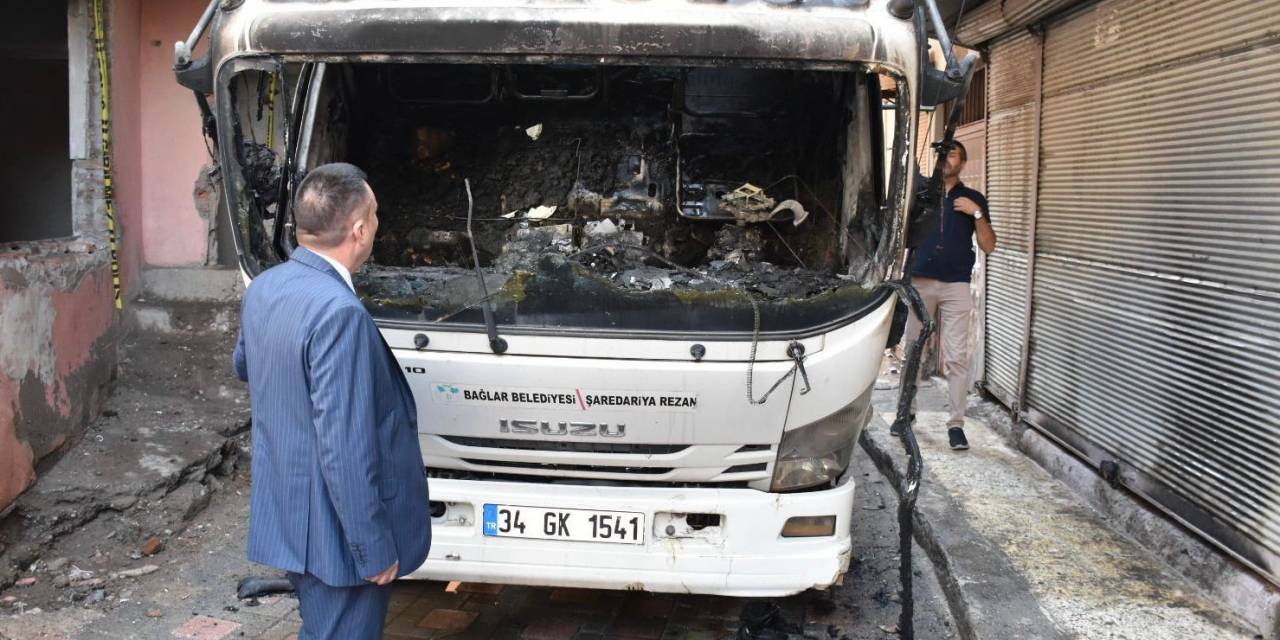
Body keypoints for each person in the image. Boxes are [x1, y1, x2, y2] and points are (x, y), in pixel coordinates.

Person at [233, 163, 430, 638]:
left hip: (291, 515)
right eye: (375, 215)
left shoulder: (265, 286)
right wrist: (372, 547)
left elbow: (245, 365)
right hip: (336, 537)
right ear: (360, 230)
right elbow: (344, 447)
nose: (376, 224)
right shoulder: (340, 313)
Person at [903, 141, 996, 451]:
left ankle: (956, 425)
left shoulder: (973, 199)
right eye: (942, 153)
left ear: (963, 162)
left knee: (957, 357)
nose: (946, 158)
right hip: (920, 283)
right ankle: (905, 413)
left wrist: (977, 213)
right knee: (913, 351)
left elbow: (989, 245)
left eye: (952, 154)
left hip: (956, 285)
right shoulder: (920, 196)